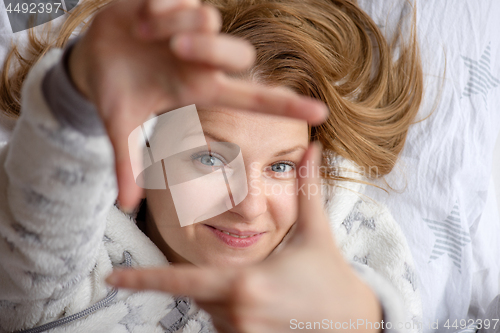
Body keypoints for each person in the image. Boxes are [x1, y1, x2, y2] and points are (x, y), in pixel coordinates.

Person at [0, 0, 424, 332]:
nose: (250, 206)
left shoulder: (353, 241)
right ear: (144, 155)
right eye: (209, 158)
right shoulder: (71, 271)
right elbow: (42, 211)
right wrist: (81, 95)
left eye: (280, 167)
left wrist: (363, 320)